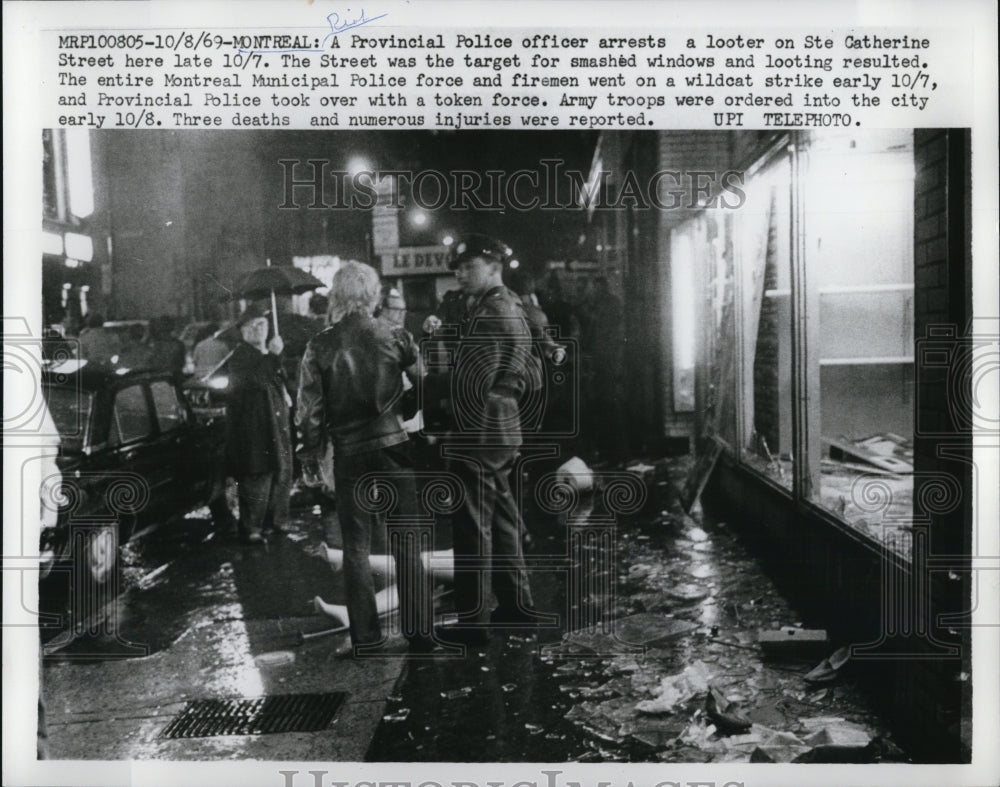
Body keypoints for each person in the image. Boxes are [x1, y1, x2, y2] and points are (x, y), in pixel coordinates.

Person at [296, 261, 434, 654]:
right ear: (373, 295)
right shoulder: (396, 335)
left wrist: (313, 454)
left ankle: (366, 637)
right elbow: (426, 383)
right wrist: (409, 416)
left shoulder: (320, 344)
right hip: (393, 447)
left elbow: (310, 413)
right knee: (406, 540)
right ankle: (420, 633)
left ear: (337, 296)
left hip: (349, 455)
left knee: (356, 547)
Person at [428, 234, 542, 646]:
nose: (460, 272)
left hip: (480, 426)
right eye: (457, 267)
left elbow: (471, 383)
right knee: (502, 519)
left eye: (469, 266)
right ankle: (517, 606)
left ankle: (473, 621)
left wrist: (425, 390)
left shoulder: (490, 313)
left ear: (494, 267)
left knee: (472, 523)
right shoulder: (511, 304)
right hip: (503, 424)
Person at [225, 302, 293, 545]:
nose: (257, 330)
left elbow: (281, 381)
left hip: (278, 427)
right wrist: (273, 357)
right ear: (242, 331)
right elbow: (255, 381)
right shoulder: (240, 358)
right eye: (251, 326)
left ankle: (276, 523)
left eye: (262, 324)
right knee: (258, 477)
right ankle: (252, 527)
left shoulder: (268, 354)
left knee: (281, 474)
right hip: (256, 432)